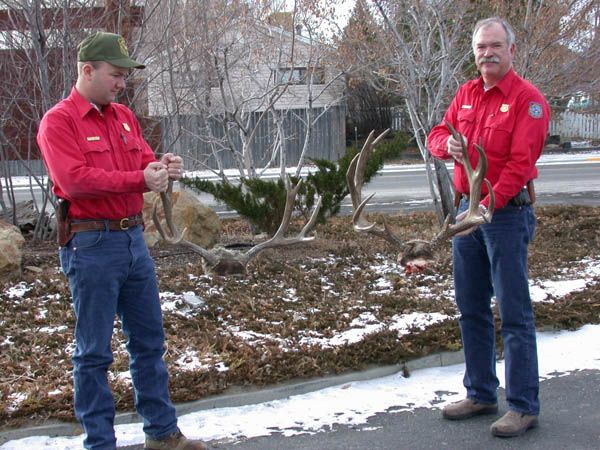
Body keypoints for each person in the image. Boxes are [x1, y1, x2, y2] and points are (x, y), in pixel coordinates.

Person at [37, 32, 206, 450]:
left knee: (149, 343)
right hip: (91, 245)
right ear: (87, 70)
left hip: (133, 241)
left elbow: (144, 162)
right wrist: (139, 178)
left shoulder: (124, 118)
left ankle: (162, 434)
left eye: (125, 76)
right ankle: (100, 444)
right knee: (93, 354)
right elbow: (74, 181)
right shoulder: (58, 122)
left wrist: (164, 165)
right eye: (115, 74)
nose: (121, 83)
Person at [427, 17, 549, 437]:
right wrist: (448, 144)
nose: (487, 53)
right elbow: (437, 133)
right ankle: (480, 393)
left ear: (511, 50)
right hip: (467, 219)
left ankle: (523, 406)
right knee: (471, 309)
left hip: (505, 217)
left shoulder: (527, 101)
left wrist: (486, 204)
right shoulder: (466, 94)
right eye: (481, 47)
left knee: (514, 314)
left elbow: (520, 165)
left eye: (495, 46)